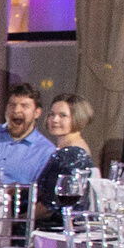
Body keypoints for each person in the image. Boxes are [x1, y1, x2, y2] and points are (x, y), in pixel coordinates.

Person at [35, 94, 98, 229]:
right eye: (52, 114)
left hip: (56, 229)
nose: (54, 120)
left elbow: (52, 205)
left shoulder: (73, 154)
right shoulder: (66, 150)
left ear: (77, 118)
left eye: (63, 115)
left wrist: (19, 220)